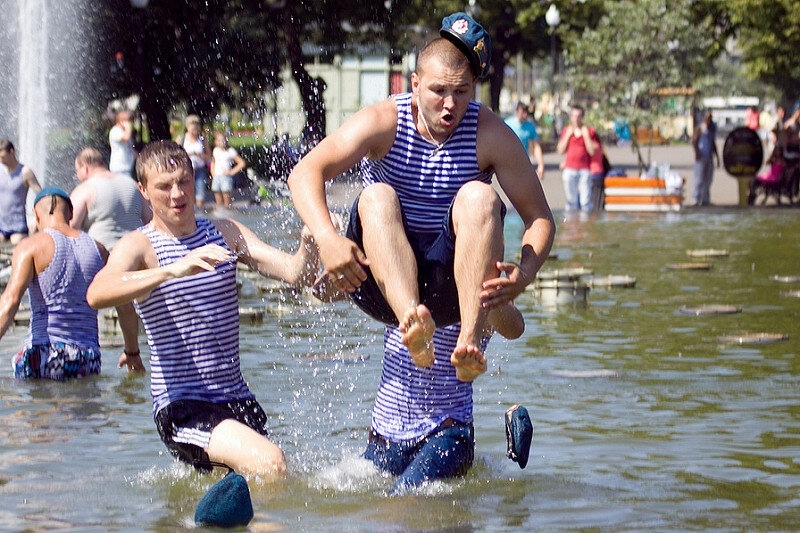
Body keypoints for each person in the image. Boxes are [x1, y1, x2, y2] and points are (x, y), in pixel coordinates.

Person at [290, 12, 553, 489]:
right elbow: (305, 172)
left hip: (456, 292)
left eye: (462, 92)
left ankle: (466, 340)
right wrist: (328, 240)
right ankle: (413, 318)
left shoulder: (488, 133)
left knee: (479, 197)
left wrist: (524, 274)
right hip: (386, 281)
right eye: (437, 91)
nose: (450, 105)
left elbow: (539, 218)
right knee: (374, 196)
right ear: (414, 83)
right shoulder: (383, 120)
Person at [86, 140, 320, 478]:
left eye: (183, 180)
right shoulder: (139, 245)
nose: (177, 193)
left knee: (263, 488)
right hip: (183, 406)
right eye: (164, 187)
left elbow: (297, 273)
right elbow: (97, 292)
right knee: (271, 463)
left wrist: (309, 243)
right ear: (143, 191)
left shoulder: (224, 233)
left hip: (236, 400)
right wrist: (172, 270)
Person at [0, 187, 142, 379]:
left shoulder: (31, 246)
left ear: (36, 215)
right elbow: (125, 307)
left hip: (45, 353)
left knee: (25, 404)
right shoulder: (99, 250)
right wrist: (132, 353)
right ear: (72, 213)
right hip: (87, 358)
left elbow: (10, 301)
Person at [70, 147, 152, 250]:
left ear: (85, 168)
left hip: (103, 257)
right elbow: (150, 220)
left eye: (77, 171)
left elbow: (70, 226)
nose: (77, 176)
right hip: (136, 254)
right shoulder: (133, 184)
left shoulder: (85, 189)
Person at [557, 105, 599, 212]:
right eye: (574, 116)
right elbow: (560, 150)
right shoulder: (567, 130)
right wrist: (567, 136)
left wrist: (586, 136)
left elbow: (592, 151)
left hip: (584, 170)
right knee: (571, 202)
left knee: (585, 202)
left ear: (582, 117)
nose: (576, 119)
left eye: (579, 116)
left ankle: (585, 225)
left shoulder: (589, 131)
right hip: (570, 169)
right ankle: (572, 226)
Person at [0, 139, 42, 244]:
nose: (1, 160)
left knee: (16, 246)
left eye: (3, 157)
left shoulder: (25, 172)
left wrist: (38, 219)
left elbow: (42, 196)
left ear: (12, 151)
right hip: (2, 226)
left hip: (18, 227)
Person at [504, 102, 545, 180]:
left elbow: (536, 146)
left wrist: (541, 165)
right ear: (516, 112)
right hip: (509, 163)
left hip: (523, 162)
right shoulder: (507, 124)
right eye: (522, 113)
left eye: (526, 113)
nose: (525, 115)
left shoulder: (530, 126)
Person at [178, 115, 212, 208]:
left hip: (200, 170)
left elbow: (209, 156)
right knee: (187, 195)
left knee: (200, 195)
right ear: (187, 127)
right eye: (193, 128)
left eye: (197, 128)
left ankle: (200, 215)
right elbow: (176, 155)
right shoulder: (182, 139)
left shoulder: (202, 140)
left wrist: (199, 155)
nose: (195, 130)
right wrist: (187, 155)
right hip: (185, 171)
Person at [691, 110, 720, 206]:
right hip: (701, 157)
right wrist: (697, 154)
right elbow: (694, 141)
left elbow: (713, 143)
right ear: (703, 118)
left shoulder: (712, 129)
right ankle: (696, 198)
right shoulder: (700, 128)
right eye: (707, 117)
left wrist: (717, 157)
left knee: (708, 179)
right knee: (699, 179)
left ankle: (705, 199)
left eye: (710, 118)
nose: (709, 119)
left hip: (709, 157)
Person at [211, 132, 246, 208]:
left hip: (225, 177)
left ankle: (228, 213)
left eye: (223, 140)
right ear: (215, 142)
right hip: (217, 176)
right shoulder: (215, 150)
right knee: (218, 198)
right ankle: (220, 215)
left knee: (227, 199)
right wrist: (212, 171)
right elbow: (213, 161)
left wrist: (232, 172)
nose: (221, 142)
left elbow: (241, 163)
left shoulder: (230, 151)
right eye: (219, 140)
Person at [108, 110, 136, 177]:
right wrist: (128, 127)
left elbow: (129, 147)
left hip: (127, 167)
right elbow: (125, 138)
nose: (130, 123)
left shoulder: (124, 131)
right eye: (128, 121)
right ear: (121, 121)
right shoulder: (115, 131)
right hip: (119, 168)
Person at [588, 138, 609, 212]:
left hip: (595, 175)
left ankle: (595, 216)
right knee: (597, 201)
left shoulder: (593, 146)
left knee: (594, 202)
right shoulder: (599, 146)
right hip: (599, 174)